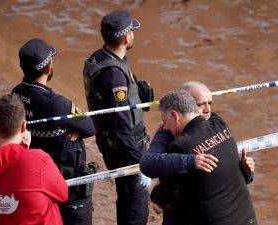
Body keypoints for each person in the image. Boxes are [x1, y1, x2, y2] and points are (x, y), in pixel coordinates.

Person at [140, 82, 255, 225]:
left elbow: (149, 166)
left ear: (175, 115)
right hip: (246, 218)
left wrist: (162, 134)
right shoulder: (219, 124)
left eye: (165, 121)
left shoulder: (181, 147)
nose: (166, 126)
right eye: (202, 104)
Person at [11, 39, 96, 225]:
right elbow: (90, 126)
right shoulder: (57, 104)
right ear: (48, 68)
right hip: (63, 178)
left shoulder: (15, 94)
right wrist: (76, 128)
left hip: (32, 175)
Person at [83, 10, 154, 225]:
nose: (133, 34)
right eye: (131, 31)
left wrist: (138, 95)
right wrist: (142, 162)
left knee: (127, 199)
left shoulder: (100, 57)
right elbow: (120, 124)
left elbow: (111, 104)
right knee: (136, 206)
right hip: (126, 149)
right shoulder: (113, 75)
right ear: (125, 37)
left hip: (114, 145)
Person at [0, 94, 68, 225]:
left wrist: (23, 150)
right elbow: (63, 194)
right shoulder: (38, 159)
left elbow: (7, 164)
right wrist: (25, 151)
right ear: (24, 126)